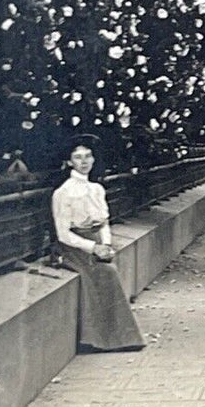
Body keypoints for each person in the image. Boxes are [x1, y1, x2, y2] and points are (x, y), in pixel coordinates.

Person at [51, 141, 145, 353]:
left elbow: (103, 222)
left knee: (108, 268)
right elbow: (63, 234)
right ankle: (97, 339)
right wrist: (94, 248)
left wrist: (106, 244)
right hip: (75, 246)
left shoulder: (96, 188)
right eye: (78, 157)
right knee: (105, 272)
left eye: (88, 156)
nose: (84, 162)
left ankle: (119, 336)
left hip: (97, 242)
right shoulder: (63, 192)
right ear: (69, 162)